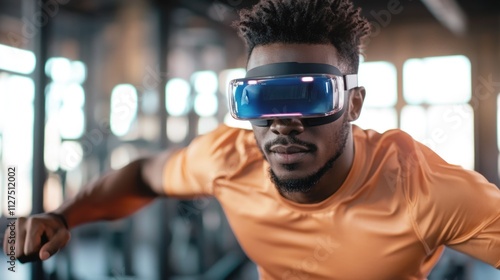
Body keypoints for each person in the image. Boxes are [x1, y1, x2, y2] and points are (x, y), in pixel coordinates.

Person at [4, 0, 500, 279]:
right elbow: (142, 176)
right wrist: (63, 215)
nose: (284, 123)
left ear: (352, 104)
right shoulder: (228, 157)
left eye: (309, 96)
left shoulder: (423, 189)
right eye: (263, 101)